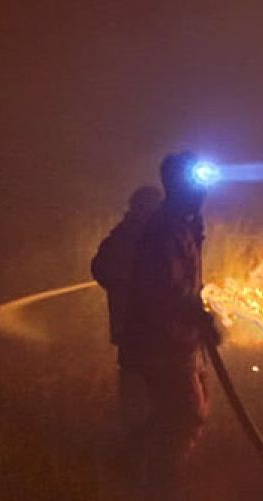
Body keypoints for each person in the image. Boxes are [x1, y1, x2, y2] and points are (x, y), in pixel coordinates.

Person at [117, 151, 222, 501]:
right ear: (179, 187)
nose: (203, 192)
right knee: (186, 415)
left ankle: (134, 466)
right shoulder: (164, 230)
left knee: (180, 412)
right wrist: (199, 316)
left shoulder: (181, 225)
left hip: (176, 339)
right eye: (197, 184)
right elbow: (167, 289)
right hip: (161, 341)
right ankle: (160, 490)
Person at [91, 184, 163, 470]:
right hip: (143, 331)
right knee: (146, 397)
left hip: (140, 331)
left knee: (141, 396)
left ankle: (138, 455)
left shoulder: (134, 236)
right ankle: (140, 460)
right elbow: (101, 268)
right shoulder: (133, 237)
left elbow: (100, 268)